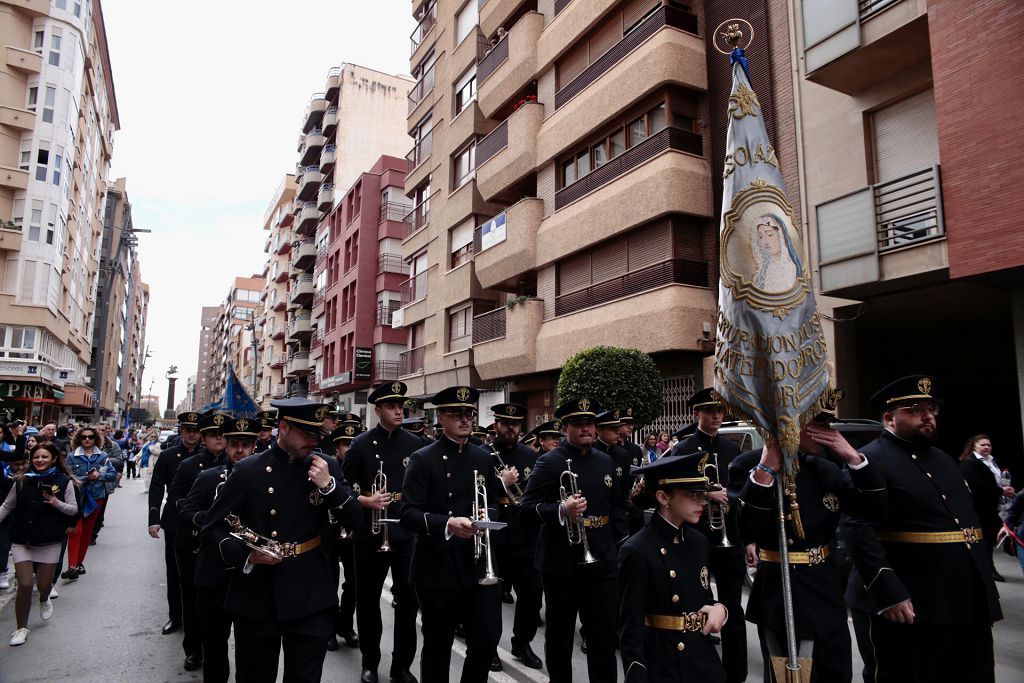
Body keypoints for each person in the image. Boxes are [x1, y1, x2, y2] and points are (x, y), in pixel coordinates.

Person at [842, 375, 1002, 682]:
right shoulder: (870, 459)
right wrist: (887, 592)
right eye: (916, 409)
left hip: (964, 601)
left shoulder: (942, 459)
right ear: (889, 418)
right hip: (909, 602)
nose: (928, 416)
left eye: (931, 409)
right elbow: (857, 528)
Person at [201, 398, 361, 683]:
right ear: (283, 427)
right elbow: (214, 528)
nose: (313, 441)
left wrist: (330, 487)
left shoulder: (328, 467)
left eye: (317, 434)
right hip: (259, 591)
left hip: (310, 589)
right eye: (306, 433)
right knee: (255, 675)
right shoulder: (248, 470)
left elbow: (356, 521)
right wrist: (246, 557)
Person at [732, 389, 886, 683]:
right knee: (791, 676)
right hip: (781, 590)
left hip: (825, 587)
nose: (825, 433)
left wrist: (854, 458)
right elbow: (747, 529)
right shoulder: (750, 465)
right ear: (793, 426)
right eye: (818, 425)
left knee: (835, 669)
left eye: (827, 425)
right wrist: (765, 471)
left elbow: (874, 509)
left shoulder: (826, 468)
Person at [400, 385, 505, 683]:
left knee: (485, 641)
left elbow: (495, 501)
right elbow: (408, 514)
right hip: (436, 567)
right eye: (456, 414)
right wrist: (447, 524)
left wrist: (487, 518)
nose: (465, 420)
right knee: (437, 647)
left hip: (478, 565)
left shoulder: (483, 457)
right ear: (441, 418)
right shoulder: (423, 459)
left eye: (469, 413)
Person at [520, 397, 629, 683]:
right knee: (560, 633)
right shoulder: (549, 462)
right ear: (564, 428)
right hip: (562, 562)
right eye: (578, 424)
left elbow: (617, 508)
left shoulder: (606, 460)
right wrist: (560, 509)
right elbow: (526, 508)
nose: (586, 429)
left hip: (602, 558)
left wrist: (621, 547)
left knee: (603, 633)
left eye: (590, 424)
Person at [618, 451, 729, 681]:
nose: (702, 502)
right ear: (663, 496)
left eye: (703, 494)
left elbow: (703, 597)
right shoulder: (638, 550)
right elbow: (631, 629)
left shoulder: (698, 541)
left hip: (703, 660)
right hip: (665, 662)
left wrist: (720, 609)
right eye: (692, 495)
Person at [341, 382, 422, 683]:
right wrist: (365, 500)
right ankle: (370, 662)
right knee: (368, 600)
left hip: (405, 532)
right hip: (369, 533)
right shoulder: (360, 444)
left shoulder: (415, 444)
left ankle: (401, 665)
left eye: (401, 406)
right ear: (377, 410)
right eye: (391, 406)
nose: (399, 410)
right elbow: (343, 487)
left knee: (408, 601)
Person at [671, 388, 747, 683]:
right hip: (694, 537)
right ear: (696, 414)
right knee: (694, 605)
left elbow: (743, 492)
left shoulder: (732, 450)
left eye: (719, 411)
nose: (716, 416)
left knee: (732, 608)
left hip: (730, 539)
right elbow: (672, 491)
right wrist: (706, 492)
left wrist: (748, 539)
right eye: (709, 411)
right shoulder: (683, 449)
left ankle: (735, 673)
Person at [181, 416, 260, 683]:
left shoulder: (264, 478)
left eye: (246, 445)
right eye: (235, 444)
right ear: (225, 445)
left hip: (251, 575)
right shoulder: (208, 476)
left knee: (251, 648)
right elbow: (187, 510)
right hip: (213, 573)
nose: (240, 450)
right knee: (214, 645)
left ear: (254, 447)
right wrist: (213, 519)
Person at [0, 443, 78, 646]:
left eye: (44, 457)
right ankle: (21, 628)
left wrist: (56, 502)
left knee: (44, 585)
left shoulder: (64, 481)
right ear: (31, 460)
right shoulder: (21, 482)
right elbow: (6, 507)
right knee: (25, 584)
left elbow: (73, 510)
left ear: (53, 459)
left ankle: (44, 599)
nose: (40, 460)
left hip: (49, 541)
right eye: (36, 457)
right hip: (22, 540)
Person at [169, 410, 229, 672]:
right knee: (193, 599)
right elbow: (178, 500)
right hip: (193, 542)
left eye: (222, 435)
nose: (218, 439)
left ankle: (217, 649)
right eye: (213, 435)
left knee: (221, 604)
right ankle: (193, 648)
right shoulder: (190, 465)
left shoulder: (238, 464)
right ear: (203, 438)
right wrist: (203, 518)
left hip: (226, 547)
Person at [487, 402, 543, 670]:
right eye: (506, 423)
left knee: (531, 596)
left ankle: (522, 642)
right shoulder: (483, 455)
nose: (511, 428)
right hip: (496, 538)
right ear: (496, 425)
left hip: (525, 535)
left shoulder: (531, 456)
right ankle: (490, 648)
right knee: (492, 598)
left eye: (516, 424)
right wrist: (501, 482)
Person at [148, 412, 204, 637]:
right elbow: (157, 486)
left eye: (196, 430)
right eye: (187, 429)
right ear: (181, 430)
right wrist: (154, 519)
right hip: (174, 519)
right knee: (174, 572)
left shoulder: (208, 455)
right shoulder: (169, 455)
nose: (192, 434)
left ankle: (197, 616)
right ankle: (176, 616)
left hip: (201, 521)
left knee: (199, 572)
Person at [958, 434, 1014, 582]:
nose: (986, 447)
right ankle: (987, 569)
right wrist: (1000, 491)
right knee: (983, 539)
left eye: (988, 445)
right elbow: (976, 485)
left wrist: (1004, 490)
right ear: (974, 446)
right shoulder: (969, 462)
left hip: (991, 506)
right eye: (983, 445)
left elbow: (996, 480)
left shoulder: (991, 461)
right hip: (977, 508)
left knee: (990, 538)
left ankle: (986, 567)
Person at [64, 426, 116, 579]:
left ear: (96, 439)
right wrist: (86, 478)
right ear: (78, 439)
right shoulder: (72, 456)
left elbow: (112, 474)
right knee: (75, 531)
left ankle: (79, 563)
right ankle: (72, 566)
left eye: (91, 437)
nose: (87, 439)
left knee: (87, 532)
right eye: (83, 437)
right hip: (76, 498)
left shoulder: (103, 456)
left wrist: (99, 475)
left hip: (95, 498)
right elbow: (66, 477)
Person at [325, 423, 360, 654]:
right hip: (329, 533)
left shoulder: (360, 466)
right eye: (346, 444)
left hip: (352, 534)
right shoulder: (328, 466)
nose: (349, 447)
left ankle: (346, 624)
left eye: (352, 443)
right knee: (328, 582)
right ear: (337, 446)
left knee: (354, 583)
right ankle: (329, 629)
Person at [750, 215, 798, 293]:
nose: (765, 242)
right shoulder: (763, 270)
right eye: (761, 237)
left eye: (770, 235)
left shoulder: (790, 268)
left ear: (781, 235)